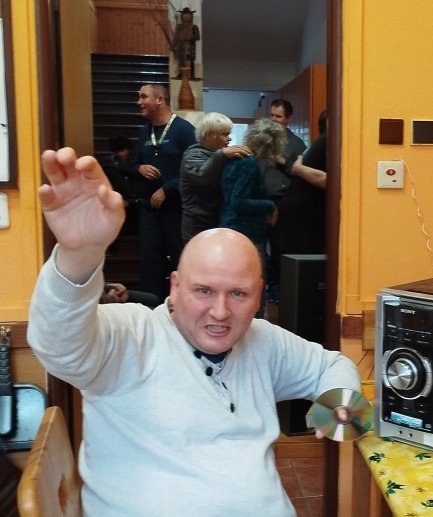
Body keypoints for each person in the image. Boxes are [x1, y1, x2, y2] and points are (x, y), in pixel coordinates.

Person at [27, 147, 361, 516]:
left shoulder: (263, 339)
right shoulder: (131, 335)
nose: (220, 312)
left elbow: (331, 364)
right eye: (203, 291)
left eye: (238, 294)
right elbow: (58, 347)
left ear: (259, 295)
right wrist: (79, 256)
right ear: (174, 286)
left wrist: (339, 402)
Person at [134, 83, 196, 300]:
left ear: (159, 100)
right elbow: (133, 164)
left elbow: (194, 170)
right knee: (150, 262)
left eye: (143, 97)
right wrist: (139, 168)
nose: (139, 102)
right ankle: (152, 309)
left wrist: (167, 189)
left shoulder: (185, 130)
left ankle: (182, 306)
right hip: (149, 210)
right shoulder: (144, 132)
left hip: (176, 209)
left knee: (180, 260)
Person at [220, 118, 286, 317]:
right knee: (254, 287)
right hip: (247, 232)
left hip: (230, 228)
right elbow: (238, 202)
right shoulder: (249, 163)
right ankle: (255, 328)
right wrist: (270, 206)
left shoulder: (236, 158)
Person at [179, 112, 252, 244]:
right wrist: (222, 154)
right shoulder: (192, 156)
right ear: (209, 135)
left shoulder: (220, 156)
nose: (229, 139)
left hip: (217, 222)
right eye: (225, 134)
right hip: (197, 226)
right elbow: (203, 176)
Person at [260, 98, 307, 303]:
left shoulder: (297, 144)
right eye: (271, 115)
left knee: (279, 247)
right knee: (258, 248)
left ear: (288, 119)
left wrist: (282, 160)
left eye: (278, 116)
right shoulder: (261, 139)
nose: (273, 120)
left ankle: (277, 288)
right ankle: (261, 287)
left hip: (283, 204)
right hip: (258, 202)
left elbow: (300, 173)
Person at [277, 109, 328, 254]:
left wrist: (297, 168)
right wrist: (297, 168)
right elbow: (331, 181)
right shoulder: (327, 142)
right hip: (303, 218)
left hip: (297, 214)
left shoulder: (320, 142)